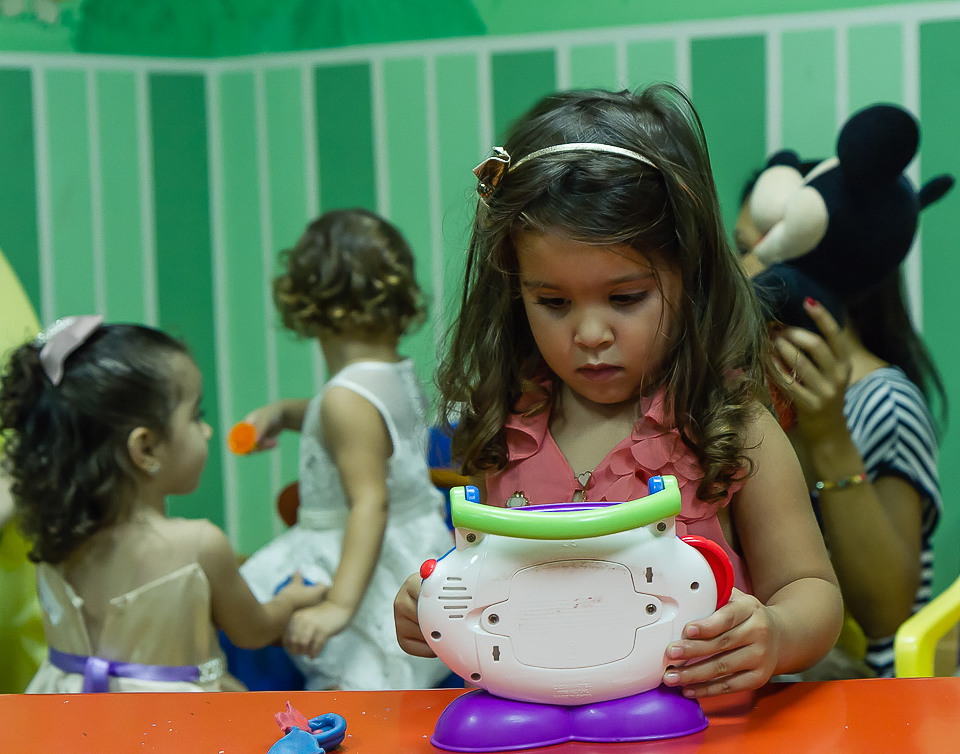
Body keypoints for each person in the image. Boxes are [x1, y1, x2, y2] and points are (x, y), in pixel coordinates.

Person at [394, 84, 843, 699]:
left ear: (691, 277)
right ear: (513, 289)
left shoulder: (734, 427)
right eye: (551, 302)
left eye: (625, 298)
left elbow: (812, 591)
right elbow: (487, 590)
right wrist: (431, 605)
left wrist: (777, 632)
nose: (590, 334)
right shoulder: (502, 427)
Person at [0, 317, 326, 693]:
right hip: (174, 720)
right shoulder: (200, 544)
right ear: (146, 448)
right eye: (195, 416)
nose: (206, 430)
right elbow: (253, 632)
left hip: (65, 713)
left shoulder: (55, 535)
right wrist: (289, 601)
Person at [238, 209, 453, 691]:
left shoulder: (345, 400)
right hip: (415, 538)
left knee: (358, 683)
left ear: (308, 304)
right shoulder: (392, 375)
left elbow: (369, 502)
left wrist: (338, 605)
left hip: (360, 555)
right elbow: (363, 429)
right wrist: (285, 414)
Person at [735, 194, 945, 678]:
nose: (745, 269)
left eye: (768, 249)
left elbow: (885, 617)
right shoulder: (736, 396)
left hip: (863, 691)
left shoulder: (883, 401)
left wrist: (829, 437)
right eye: (742, 247)